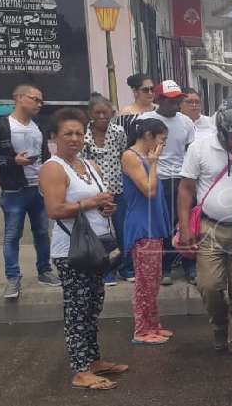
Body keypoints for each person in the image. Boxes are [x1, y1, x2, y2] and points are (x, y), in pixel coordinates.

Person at [39, 108, 127, 390]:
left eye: (79, 133)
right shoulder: (53, 168)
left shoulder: (89, 165)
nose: (75, 138)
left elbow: (97, 201)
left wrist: (106, 206)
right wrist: (90, 203)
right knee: (77, 310)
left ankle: (94, 360)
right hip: (71, 251)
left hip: (96, 247)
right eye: (68, 133)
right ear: (54, 136)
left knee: (92, 306)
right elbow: (54, 210)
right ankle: (80, 370)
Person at [177, 95, 232, 361]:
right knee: (209, 286)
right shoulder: (199, 148)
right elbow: (186, 189)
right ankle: (220, 326)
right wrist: (186, 230)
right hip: (209, 228)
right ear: (223, 129)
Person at [0, 83, 59, 300]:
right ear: (19, 98)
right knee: (12, 236)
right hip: (14, 190)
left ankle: (45, 271)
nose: (39, 104)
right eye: (35, 99)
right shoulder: (0, 126)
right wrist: (12, 161)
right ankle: (13, 278)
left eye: (41, 100)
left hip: (38, 189)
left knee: (42, 233)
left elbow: (45, 156)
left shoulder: (39, 127)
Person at [138, 80, 196, 284]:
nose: (175, 105)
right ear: (159, 99)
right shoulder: (146, 120)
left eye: (178, 100)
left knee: (186, 223)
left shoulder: (187, 122)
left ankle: (190, 266)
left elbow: (191, 152)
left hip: (181, 179)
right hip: (157, 178)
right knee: (162, 226)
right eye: (171, 101)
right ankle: (165, 267)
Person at [121, 118, 172, 345]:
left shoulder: (145, 156)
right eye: (162, 140)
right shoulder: (131, 156)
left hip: (153, 223)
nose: (163, 145)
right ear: (149, 136)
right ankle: (141, 330)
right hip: (142, 225)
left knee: (153, 280)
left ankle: (153, 324)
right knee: (145, 282)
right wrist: (154, 163)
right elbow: (149, 191)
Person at [84, 93, 131, 285]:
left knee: (122, 231)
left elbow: (124, 157)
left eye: (106, 113)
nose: (102, 116)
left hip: (117, 191)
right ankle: (106, 272)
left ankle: (126, 268)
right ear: (90, 114)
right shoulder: (83, 135)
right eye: (98, 113)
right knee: (101, 234)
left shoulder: (118, 132)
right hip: (94, 194)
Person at [117, 73, 155, 139]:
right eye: (145, 90)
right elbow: (121, 139)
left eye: (152, 89)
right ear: (135, 91)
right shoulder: (126, 113)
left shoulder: (158, 109)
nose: (150, 93)